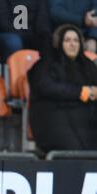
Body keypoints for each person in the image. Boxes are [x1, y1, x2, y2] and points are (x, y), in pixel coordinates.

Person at [28, 24, 97, 152]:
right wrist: (80, 92)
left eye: (76, 40)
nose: (72, 44)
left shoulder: (88, 65)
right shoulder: (45, 64)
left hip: (84, 117)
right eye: (67, 40)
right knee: (73, 148)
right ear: (58, 42)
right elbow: (45, 86)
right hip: (52, 116)